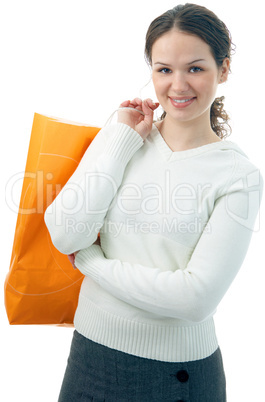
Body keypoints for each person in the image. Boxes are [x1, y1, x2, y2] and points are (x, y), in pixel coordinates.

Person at [45, 4, 263, 401]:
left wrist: (93, 264)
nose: (178, 86)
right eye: (164, 69)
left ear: (224, 69)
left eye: (195, 68)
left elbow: (194, 298)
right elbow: (63, 233)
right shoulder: (124, 137)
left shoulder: (237, 175)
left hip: (177, 378)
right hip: (88, 359)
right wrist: (121, 141)